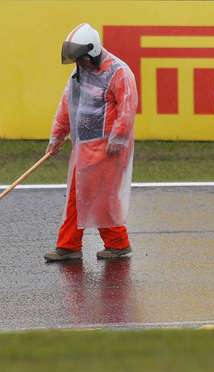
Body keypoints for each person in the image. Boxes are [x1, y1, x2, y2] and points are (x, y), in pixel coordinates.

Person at [44, 23, 138, 262]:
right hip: (84, 147)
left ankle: (81, 245)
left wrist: (118, 137)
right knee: (81, 195)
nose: (80, 64)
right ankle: (92, 244)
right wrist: (57, 136)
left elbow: (127, 106)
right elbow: (67, 106)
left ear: (93, 52)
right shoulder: (79, 74)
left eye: (82, 59)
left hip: (108, 147)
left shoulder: (118, 72)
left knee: (98, 195)